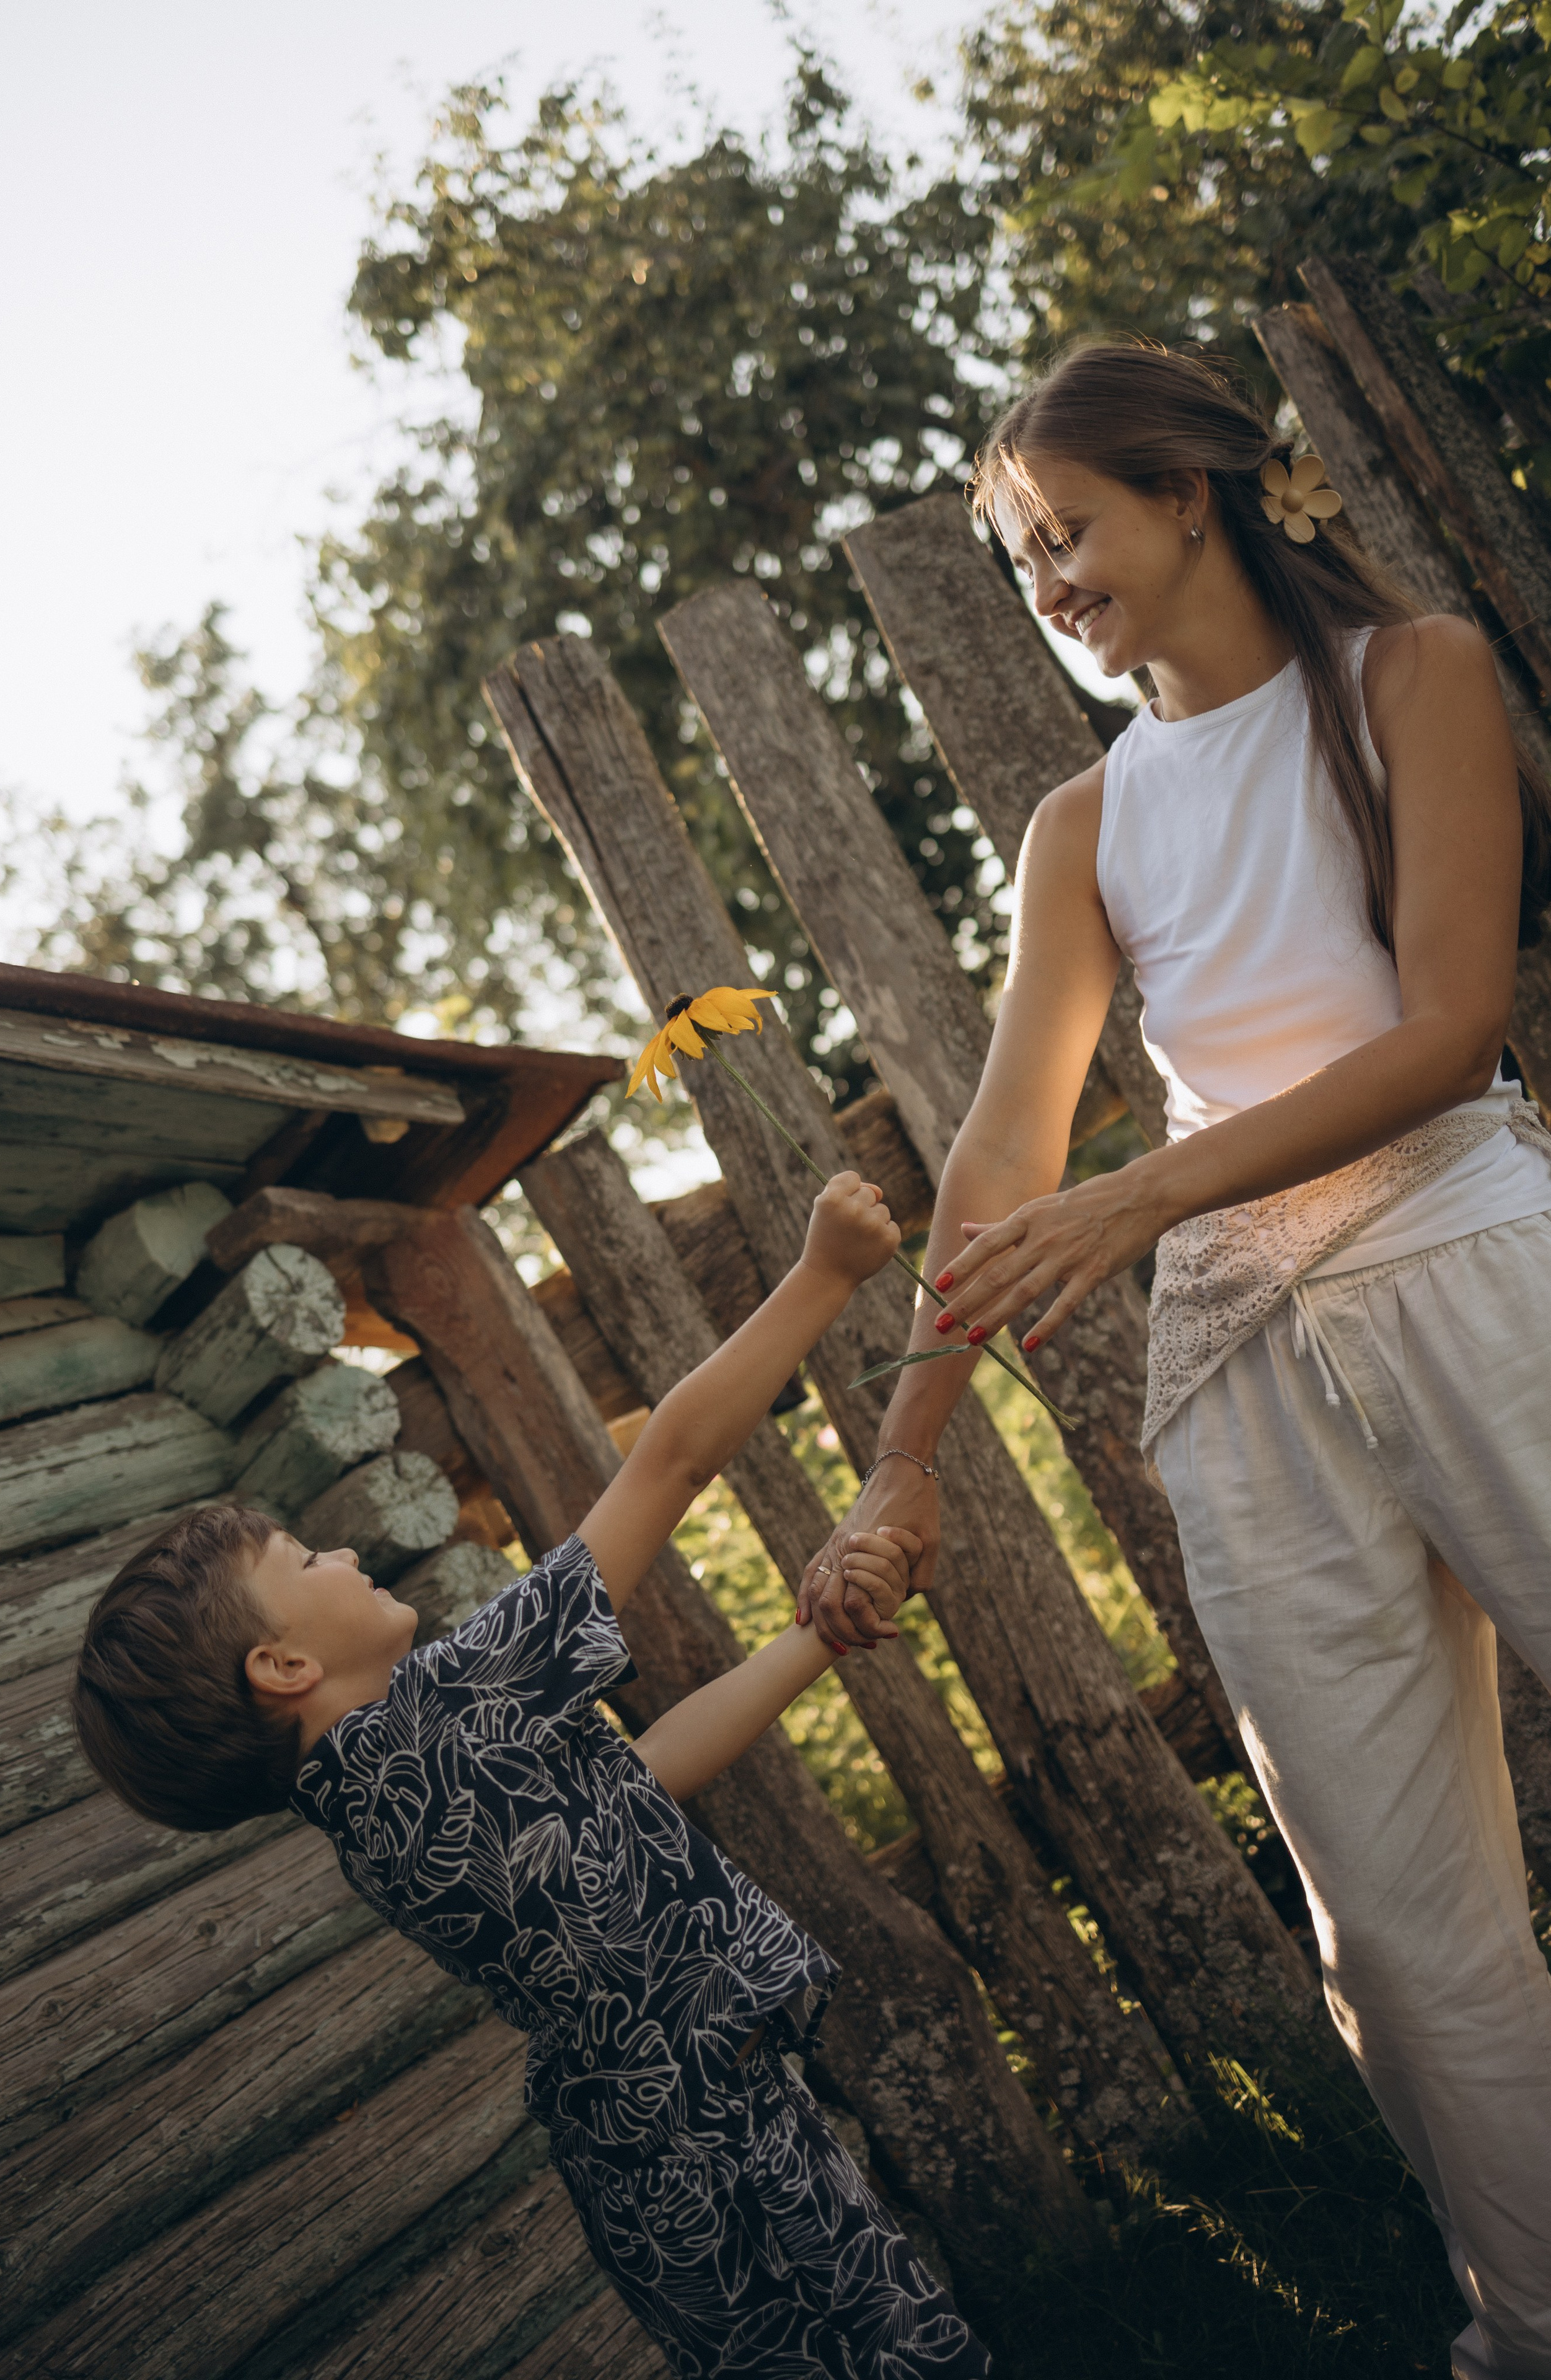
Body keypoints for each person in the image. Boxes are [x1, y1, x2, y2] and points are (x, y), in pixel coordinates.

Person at [799, 342, 1551, 2379]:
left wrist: (1149, 1194)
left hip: (1470, 1264)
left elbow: (1448, 1028)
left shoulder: (1416, 681)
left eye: (1068, 531)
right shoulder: (1085, 823)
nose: (1048, 577)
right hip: (1246, 1366)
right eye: (1019, 552)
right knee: (1389, 1931)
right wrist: (908, 1457)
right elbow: (1005, 1154)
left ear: (1193, 493)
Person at [72, 1171, 992, 2380]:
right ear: (285, 1663)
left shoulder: (372, 1815)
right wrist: (821, 1272)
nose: (343, 1548)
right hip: (717, 2131)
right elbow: (664, 1462)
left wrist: (813, 1639)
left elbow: (637, 1783)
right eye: (305, 1554)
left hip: (646, 2167)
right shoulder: (456, 1702)